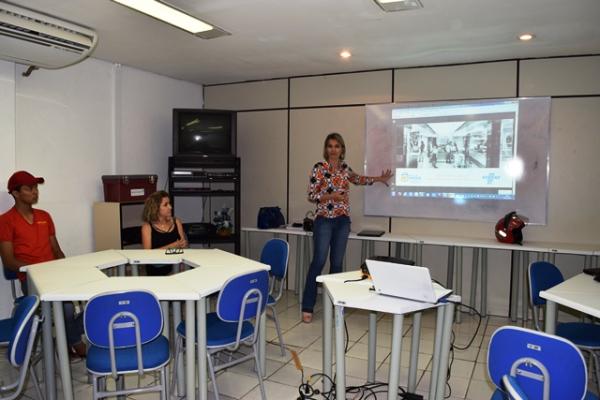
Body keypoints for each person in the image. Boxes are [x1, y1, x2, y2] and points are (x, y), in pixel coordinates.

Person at [301, 133, 393, 323]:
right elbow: (312, 195)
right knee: (318, 262)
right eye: (330, 146)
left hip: (342, 222)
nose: (333, 149)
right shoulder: (319, 168)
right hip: (324, 220)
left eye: (337, 146)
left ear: (342, 149)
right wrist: (331, 196)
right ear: (326, 149)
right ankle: (307, 306)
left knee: (337, 264)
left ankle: (336, 305)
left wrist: (379, 178)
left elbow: (359, 179)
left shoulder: (344, 169)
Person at [0, 171, 86, 357]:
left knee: (92, 298)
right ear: (15, 193)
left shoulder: (44, 216)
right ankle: (75, 343)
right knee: (67, 307)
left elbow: (57, 250)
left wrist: (65, 269)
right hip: (31, 279)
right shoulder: (6, 221)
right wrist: (37, 271)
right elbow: (8, 261)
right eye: (29, 188)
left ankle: (64, 339)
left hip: (55, 275)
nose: (35, 192)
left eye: (36, 188)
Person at [141, 191, 188, 275]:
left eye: (169, 203)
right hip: (156, 269)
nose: (170, 207)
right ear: (155, 208)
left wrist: (184, 244)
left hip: (176, 265)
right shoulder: (147, 227)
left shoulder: (176, 221)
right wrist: (172, 246)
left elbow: (183, 247)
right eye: (165, 205)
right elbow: (147, 255)